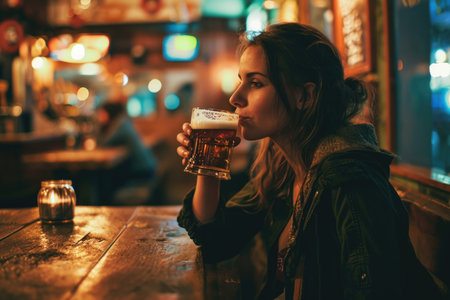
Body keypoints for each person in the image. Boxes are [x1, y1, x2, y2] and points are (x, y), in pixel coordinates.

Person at [175, 23, 445, 299]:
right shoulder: (283, 168)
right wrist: (207, 167)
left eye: (255, 83)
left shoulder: (349, 182)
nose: (235, 97)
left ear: (304, 96)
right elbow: (216, 240)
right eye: (240, 80)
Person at [97, 101, 157, 204]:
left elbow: (105, 142)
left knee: (106, 183)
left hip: (142, 173)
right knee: (109, 179)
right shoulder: (124, 122)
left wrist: (100, 127)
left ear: (108, 113)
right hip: (147, 170)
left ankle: (104, 205)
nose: (100, 117)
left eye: (102, 113)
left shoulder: (121, 124)